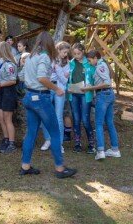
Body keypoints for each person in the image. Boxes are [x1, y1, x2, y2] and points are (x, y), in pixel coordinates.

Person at [19, 31, 77, 178]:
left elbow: (22, 76)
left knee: (31, 133)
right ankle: (60, 168)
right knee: (55, 133)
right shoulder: (44, 57)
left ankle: (25, 166)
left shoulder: (31, 56)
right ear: (49, 43)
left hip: (29, 96)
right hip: (40, 99)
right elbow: (42, 78)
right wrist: (57, 88)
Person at [81, 50, 121, 161]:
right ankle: (114, 149)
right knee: (109, 122)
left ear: (95, 58)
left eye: (89, 60)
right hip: (109, 95)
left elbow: (107, 82)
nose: (89, 63)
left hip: (103, 95)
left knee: (98, 124)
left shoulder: (100, 66)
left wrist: (89, 88)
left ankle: (100, 151)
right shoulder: (103, 65)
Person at [40, 42, 70, 153]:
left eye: (67, 52)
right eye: (64, 52)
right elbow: (45, 75)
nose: (65, 54)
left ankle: (59, 143)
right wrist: (60, 72)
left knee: (58, 117)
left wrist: (58, 70)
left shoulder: (66, 62)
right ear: (58, 50)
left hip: (59, 90)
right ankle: (48, 139)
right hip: (48, 88)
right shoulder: (48, 59)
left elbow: (64, 80)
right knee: (45, 115)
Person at [68, 43, 96, 154]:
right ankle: (77, 143)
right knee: (76, 119)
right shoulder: (70, 63)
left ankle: (91, 143)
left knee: (85, 119)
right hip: (73, 94)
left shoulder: (89, 63)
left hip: (86, 95)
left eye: (78, 53)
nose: (76, 56)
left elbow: (95, 78)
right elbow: (66, 78)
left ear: (83, 51)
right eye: (74, 54)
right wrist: (67, 88)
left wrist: (90, 87)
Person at [0, 42, 18, 153]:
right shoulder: (1, 62)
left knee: (7, 118)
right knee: (0, 116)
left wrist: (1, 84)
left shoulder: (9, 64)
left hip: (8, 92)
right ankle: (6, 139)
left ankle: (12, 143)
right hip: (1, 92)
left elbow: (13, 80)